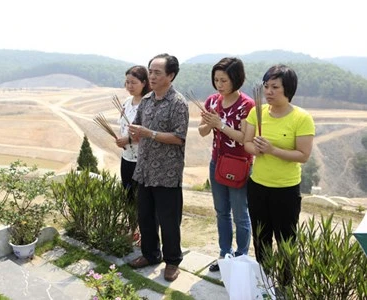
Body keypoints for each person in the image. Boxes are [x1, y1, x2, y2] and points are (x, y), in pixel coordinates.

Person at [243, 64, 315, 273]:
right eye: (266, 86)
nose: (268, 92)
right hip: (258, 186)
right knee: (260, 236)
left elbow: (303, 155)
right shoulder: (257, 111)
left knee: (286, 239)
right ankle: (264, 278)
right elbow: (246, 143)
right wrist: (255, 149)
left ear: (288, 89)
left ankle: (285, 283)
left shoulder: (301, 118)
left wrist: (273, 150)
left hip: (285, 190)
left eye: (275, 87)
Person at [127, 53, 189, 282]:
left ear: (170, 76)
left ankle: (172, 261)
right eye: (150, 71)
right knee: (145, 217)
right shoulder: (146, 101)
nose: (151, 76)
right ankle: (151, 254)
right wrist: (135, 132)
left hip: (167, 172)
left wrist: (148, 133)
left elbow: (179, 137)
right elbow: (139, 130)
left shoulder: (178, 103)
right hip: (144, 170)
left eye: (157, 72)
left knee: (169, 220)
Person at [198, 57, 254, 272]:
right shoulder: (212, 100)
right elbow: (203, 132)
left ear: (236, 80)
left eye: (224, 80)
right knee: (221, 211)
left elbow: (243, 138)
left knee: (240, 213)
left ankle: (241, 258)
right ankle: (224, 255)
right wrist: (208, 122)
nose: (219, 85)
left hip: (239, 163)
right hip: (218, 162)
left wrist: (219, 123)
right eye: (216, 80)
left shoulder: (246, 105)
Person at [115, 65, 151, 203]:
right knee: (128, 197)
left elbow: (149, 134)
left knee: (141, 200)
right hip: (126, 158)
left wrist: (128, 140)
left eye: (134, 83)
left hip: (142, 159)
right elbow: (123, 127)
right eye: (127, 82)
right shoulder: (126, 103)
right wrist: (121, 139)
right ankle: (131, 225)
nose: (130, 86)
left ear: (144, 83)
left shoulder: (148, 104)